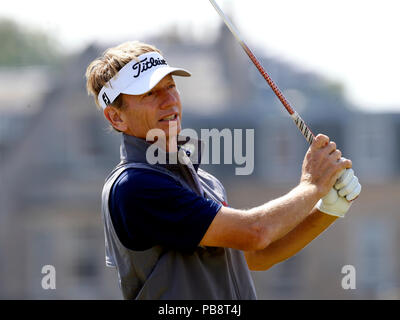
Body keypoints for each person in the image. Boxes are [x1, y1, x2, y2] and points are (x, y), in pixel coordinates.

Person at [85, 41, 361, 300]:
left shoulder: (204, 181)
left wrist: (327, 209)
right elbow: (255, 231)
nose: (169, 101)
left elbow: (256, 255)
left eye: (170, 86)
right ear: (116, 117)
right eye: (149, 93)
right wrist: (312, 185)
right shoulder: (134, 186)